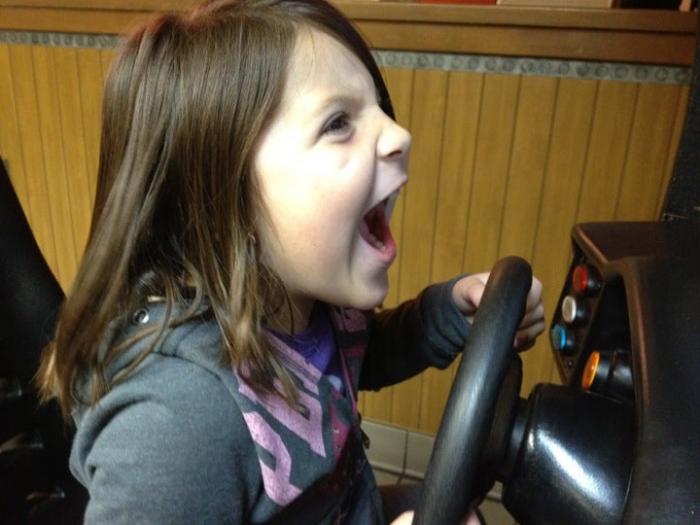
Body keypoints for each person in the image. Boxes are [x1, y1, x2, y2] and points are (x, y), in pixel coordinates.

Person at [37, 0, 544, 523]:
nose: (399, 135)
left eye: (379, 107)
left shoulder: (311, 306)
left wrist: (449, 313)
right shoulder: (177, 424)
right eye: (338, 122)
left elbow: (358, 356)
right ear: (224, 197)